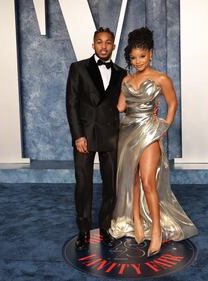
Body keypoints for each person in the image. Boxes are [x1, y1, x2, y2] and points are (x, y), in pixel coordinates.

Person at [109, 27, 198, 257]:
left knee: (148, 180)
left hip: (149, 131)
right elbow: (120, 107)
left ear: (150, 54)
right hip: (127, 131)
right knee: (133, 179)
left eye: (142, 56)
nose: (138, 61)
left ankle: (156, 230)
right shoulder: (126, 79)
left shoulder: (161, 78)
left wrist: (163, 129)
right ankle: (137, 221)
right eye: (133, 57)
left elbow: (173, 103)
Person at [66, 27, 127, 251]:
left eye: (108, 42)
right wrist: (78, 135)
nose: (103, 46)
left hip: (111, 136)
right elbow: (71, 104)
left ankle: (105, 228)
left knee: (110, 185)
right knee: (83, 184)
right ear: (93, 45)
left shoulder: (122, 73)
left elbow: (124, 104)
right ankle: (83, 232)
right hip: (85, 136)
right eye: (99, 42)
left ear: (113, 45)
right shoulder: (78, 68)